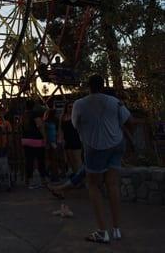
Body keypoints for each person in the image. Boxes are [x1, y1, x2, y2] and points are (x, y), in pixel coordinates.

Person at [72, 74, 132, 243]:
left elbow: (75, 124)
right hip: (116, 144)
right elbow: (130, 120)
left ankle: (101, 231)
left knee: (93, 185)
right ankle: (117, 229)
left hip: (96, 147)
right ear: (103, 85)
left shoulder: (80, 104)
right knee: (112, 184)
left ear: (88, 86)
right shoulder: (114, 102)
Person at [21, 100, 47, 189]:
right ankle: (43, 181)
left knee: (29, 161)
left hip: (26, 140)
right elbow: (39, 126)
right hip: (36, 140)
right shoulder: (35, 114)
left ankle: (29, 182)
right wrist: (44, 137)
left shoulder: (24, 116)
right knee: (40, 160)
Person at [60, 102, 82, 174]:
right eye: (69, 107)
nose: (71, 108)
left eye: (72, 107)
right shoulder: (63, 117)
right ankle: (76, 176)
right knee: (71, 160)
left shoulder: (76, 117)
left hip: (76, 139)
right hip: (67, 140)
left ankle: (80, 177)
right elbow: (60, 129)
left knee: (77, 159)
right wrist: (61, 139)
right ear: (66, 108)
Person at [44, 108, 59, 182]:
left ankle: (52, 174)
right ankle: (54, 174)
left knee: (52, 159)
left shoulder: (47, 122)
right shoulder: (54, 121)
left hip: (51, 141)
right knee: (53, 159)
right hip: (52, 141)